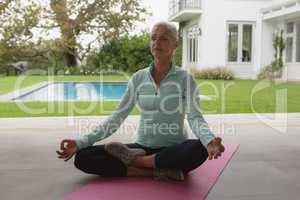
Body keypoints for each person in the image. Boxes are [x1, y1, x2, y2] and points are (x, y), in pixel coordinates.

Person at [56, 22, 225, 181]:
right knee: (84, 157)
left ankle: (137, 163)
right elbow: (117, 117)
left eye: (164, 38)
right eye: (153, 37)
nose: (157, 42)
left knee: (199, 149)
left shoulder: (185, 79)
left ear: (175, 44)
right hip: (141, 147)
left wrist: (209, 141)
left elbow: (195, 117)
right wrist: (80, 143)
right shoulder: (138, 77)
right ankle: (153, 171)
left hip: (172, 149)